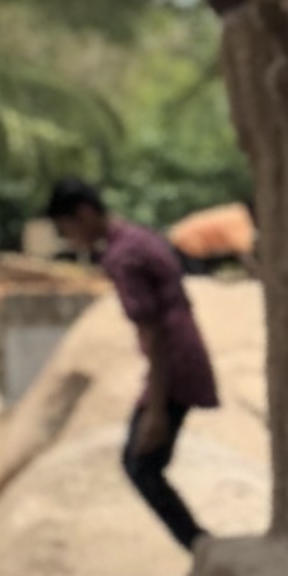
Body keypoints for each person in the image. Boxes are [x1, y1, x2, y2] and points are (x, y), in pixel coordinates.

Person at [47, 175, 220, 551]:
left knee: (141, 463)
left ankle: (200, 546)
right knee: (145, 464)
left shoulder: (123, 256)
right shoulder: (137, 238)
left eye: (67, 229)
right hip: (181, 353)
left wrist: (155, 408)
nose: (69, 238)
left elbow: (154, 332)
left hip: (173, 363)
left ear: (83, 214)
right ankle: (199, 545)